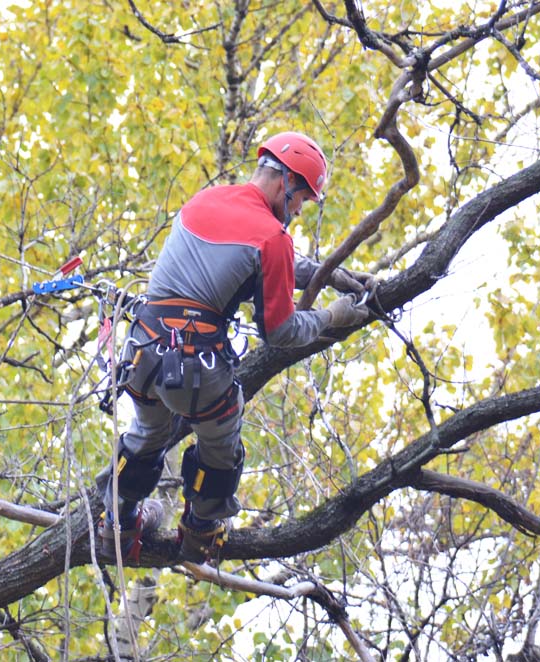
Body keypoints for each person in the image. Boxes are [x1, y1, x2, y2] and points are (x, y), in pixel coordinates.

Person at [96, 131, 375, 563]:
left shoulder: (203, 202)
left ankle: (118, 517)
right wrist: (333, 317)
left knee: (148, 433)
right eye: (302, 200)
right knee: (221, 440)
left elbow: (250, 261)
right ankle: (201, 530)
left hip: (144, 349)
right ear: (287, 184)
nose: (299, 211)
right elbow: (280, 331)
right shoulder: (272, 237)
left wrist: (330, 274)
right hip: (197, 365)